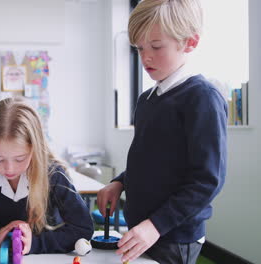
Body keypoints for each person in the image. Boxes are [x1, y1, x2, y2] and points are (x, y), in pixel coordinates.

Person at [97, 0, 227, 263]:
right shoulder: (147, 99)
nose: (146, 57)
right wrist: (120, 181)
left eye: (156, 46)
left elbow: (206, 180)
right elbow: (149, 160)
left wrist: (155, 225)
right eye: (139, 48)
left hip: (173, 235)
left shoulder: (202, 98)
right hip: (142, 228)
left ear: (189, 43)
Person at [0, 97, 93, 254]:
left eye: (20, 159)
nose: (9, 168)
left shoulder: (53, 175)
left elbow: (83, 228)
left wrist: (34, 244)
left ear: (35, 149)